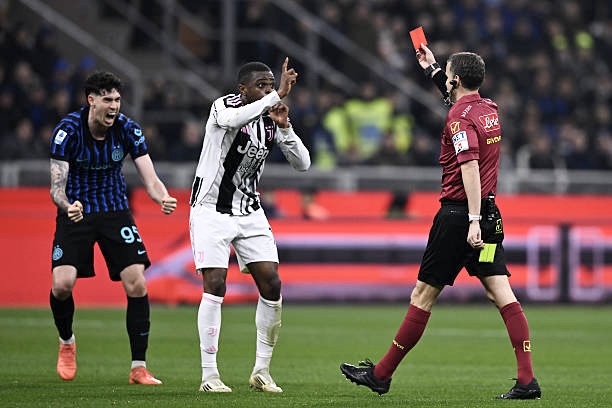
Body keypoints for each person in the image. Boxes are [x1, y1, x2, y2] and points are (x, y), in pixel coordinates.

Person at [340, 44, 541, 400]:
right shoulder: (489, 109)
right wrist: (431, 67)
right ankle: (527, 380)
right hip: (491, 217)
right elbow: (459, 102)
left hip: (459, 220)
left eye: (447, 76)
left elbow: (469, 167)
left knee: (423, 295)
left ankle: (381, 375)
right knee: (501, 293)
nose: (445, 81)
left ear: (457, 80)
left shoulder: (459, 119)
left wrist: (472, 220)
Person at [189, 58, 310, 393]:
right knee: (215, 283)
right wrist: (275, 96)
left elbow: (303, 164)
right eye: (261, 85)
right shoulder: (224, 106)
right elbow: (232, 120)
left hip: (249, 210)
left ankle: (261, 371)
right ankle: (209, 375)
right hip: (211, 209)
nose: (268, 90)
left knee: (271, 283)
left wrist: (284, 127)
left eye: (271, 84)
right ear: (242, 89)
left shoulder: (270, 119)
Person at [49, 71, 177, 385]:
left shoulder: (128, 129)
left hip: (115, 211)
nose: (114, 106)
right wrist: (67, 206)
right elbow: (56, 188)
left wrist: (162, 197)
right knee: (62, 285)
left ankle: (139, 367)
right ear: (91, 100)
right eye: (108, 99)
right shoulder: (67, 131)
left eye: (118, 100)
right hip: (76, 211)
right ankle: (67, 342)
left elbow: (150, 177)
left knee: (137, 283)